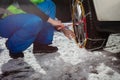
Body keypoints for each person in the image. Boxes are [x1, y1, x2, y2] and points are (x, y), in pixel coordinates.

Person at [0, 0, 75, 59]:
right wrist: (52, 22)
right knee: (34, 21)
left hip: (20, 15)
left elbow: (41, 12)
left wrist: (62, 28)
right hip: (4, 22)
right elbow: (26, 6)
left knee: (49, 4)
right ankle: (14, 47)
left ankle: (41, 44)